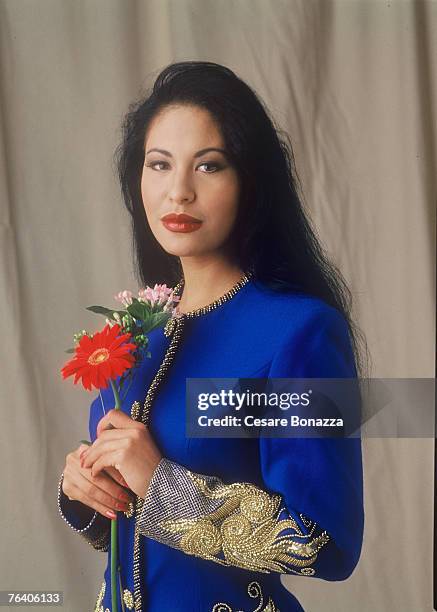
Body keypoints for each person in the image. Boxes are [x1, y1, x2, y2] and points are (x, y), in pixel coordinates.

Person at [57, 61, 366, 612]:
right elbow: (132, 539)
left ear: (250, 181)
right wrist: (85, 494)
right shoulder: (138, 331)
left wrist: (161, 486)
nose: (179, 192)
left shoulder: (301, 330)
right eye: (159, 165)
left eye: (209, 166)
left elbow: (327, 541)